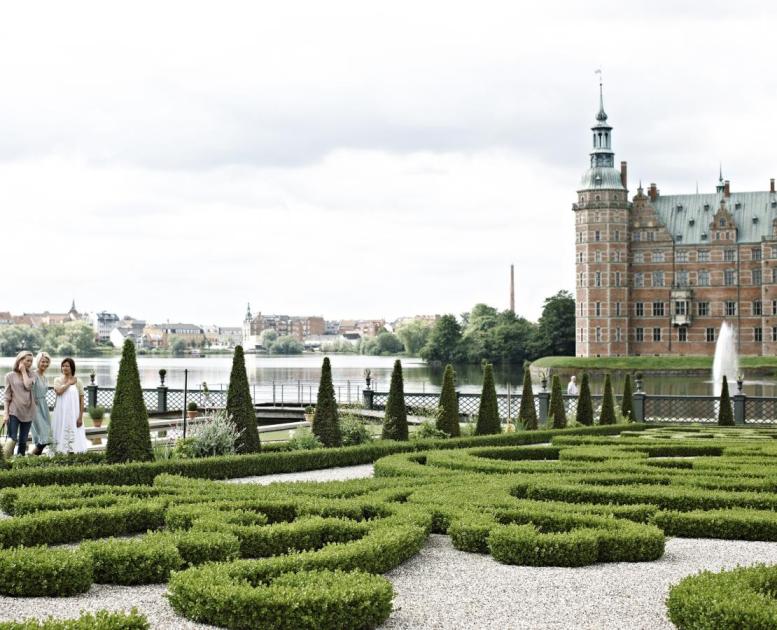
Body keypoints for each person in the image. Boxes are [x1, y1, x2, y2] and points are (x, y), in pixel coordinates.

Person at [52, 357, 89, 454]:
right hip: (61, 413)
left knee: (75, 432)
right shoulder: (57, 380)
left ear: (72, 367)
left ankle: (75, 453)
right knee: (60, 431)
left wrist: (80, 417)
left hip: (74, 414)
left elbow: (81, 400)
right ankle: (60, 453)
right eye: (63, 366)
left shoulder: (78, 381)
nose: (65, 368)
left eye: (67, 366)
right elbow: (59, 391)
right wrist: (69, 383)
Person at [3, 350, 35, 457]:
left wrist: (24, 372)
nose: (29, 363)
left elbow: (28, 386)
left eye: (31, 361)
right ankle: (8, 461)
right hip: (14, 411)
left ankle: (19, 462)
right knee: (12, 439)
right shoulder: (9, 376)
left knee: (23, 441)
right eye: (27, 360)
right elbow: (7, 396)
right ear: (20, 360)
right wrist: (6, 413)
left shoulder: (32, 375)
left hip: (28, 411)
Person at [31, 352, 53, 455]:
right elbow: (27, 388)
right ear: (38, 361)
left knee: (48, 434)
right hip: (35, 407)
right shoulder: (33, 374)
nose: (44, 364)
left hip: (44, 406)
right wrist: (32, 398)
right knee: (44, 434)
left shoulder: (45, 377)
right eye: (42, 361)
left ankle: (33, 458)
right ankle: (31, 456)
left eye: (47, 362)